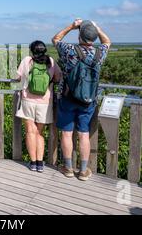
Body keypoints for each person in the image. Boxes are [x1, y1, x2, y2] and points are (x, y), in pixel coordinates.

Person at [52, 19, 111, 181]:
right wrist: (96, 27)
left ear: (80, 36)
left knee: (66, 132)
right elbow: (107, 41)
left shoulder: (69, 50)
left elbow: (56, 39)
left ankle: (69, 168)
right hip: (88, 100)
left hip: (67, 98)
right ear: (94, 38)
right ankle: (84, 171)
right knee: (84, 134)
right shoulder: (100, 52)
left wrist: (72, 26)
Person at [16, 40, 61, 173]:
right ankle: (41, 163)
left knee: (30, 131)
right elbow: (58, 78)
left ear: (32, 50)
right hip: (45, 102)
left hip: (28, 100)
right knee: (39, 133)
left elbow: (18, 77)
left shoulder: (27, 60)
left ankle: (33, 162)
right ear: (44, 50)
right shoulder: (51, 61)